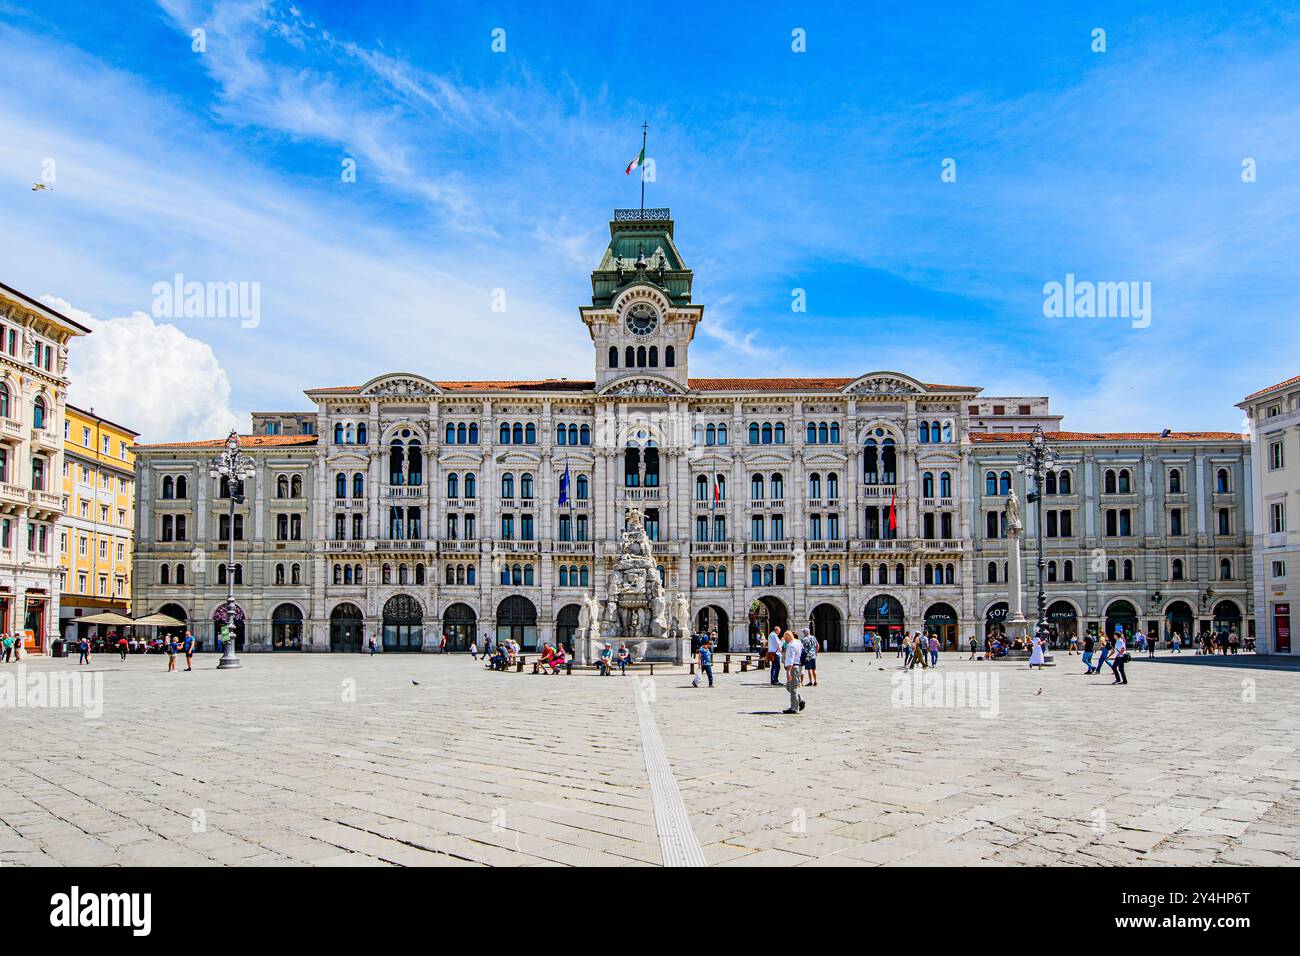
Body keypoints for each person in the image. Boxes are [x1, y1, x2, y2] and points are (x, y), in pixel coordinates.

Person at [782, 630, 805, 714]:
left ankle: (794, 708)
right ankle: (800, 699)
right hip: (798, 667)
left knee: (793, 688)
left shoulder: (791, 645)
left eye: (785, 638)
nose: (785, 640)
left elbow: (790, 659)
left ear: (788, 637)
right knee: (789, 687)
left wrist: (788, 671)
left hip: (792, 668)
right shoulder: (798, 642)